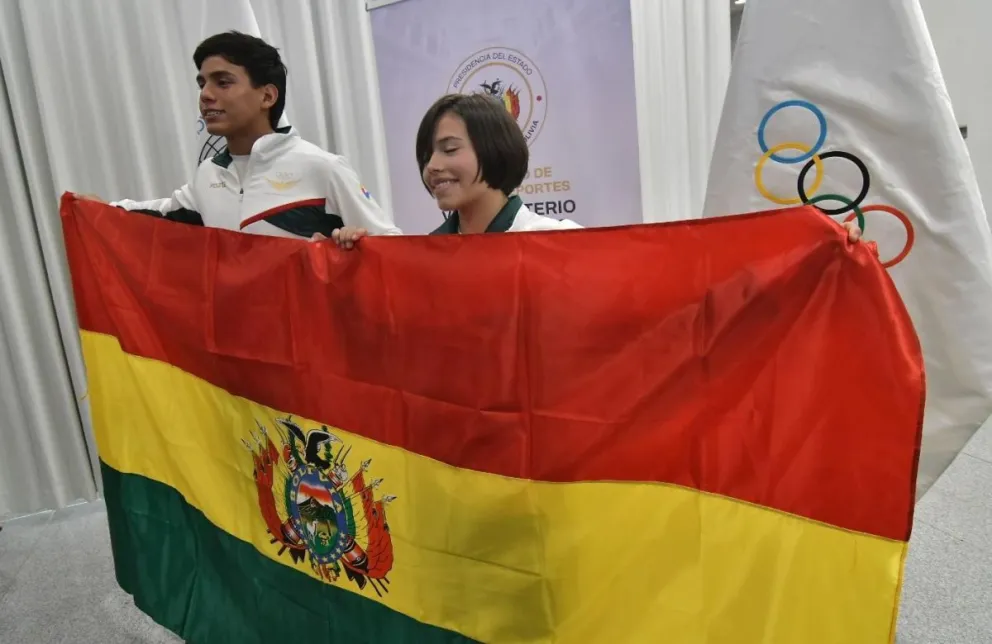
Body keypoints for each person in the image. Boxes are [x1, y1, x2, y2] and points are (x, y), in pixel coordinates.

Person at [331, 92, 863, 248]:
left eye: (449, 149)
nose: (433, 166)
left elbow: (680, 285)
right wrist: (345, 264)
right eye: (427, 154)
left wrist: (802, 247)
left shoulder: (555, 242)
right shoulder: (426, 255)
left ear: (493, 150)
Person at [83, 31, 400, 240]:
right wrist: (103, 210)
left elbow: (391, 248)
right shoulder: (209, 175)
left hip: (312, 326)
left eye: (223, 82)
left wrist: (351, 247)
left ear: (267, 96)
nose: (206, 95)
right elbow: (160, 214)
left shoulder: (322, 168)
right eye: (202, 84)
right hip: (236, 326)